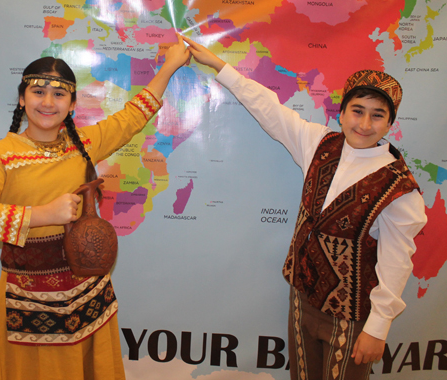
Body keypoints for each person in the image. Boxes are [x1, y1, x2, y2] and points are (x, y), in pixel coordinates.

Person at [181, 35, 427, 380]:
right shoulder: (319, 144)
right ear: (342, 113)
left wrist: (379, 327)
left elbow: (397, 261)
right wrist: (219, 66)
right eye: (357, 111)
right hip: (302, 299)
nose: (364, 124)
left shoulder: (398, 188)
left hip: (353, 316)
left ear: (390, 124)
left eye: (377, 116)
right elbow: (269, 109)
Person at [0, 33, 190, 380]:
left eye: (59, 93)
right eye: (38, 92)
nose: (48, 102)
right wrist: (43, 215)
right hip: (30, 299)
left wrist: (170, 65)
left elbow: (132, 116)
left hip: (88, 292)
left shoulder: (83, 145)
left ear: (72, 104)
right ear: (21, 99)